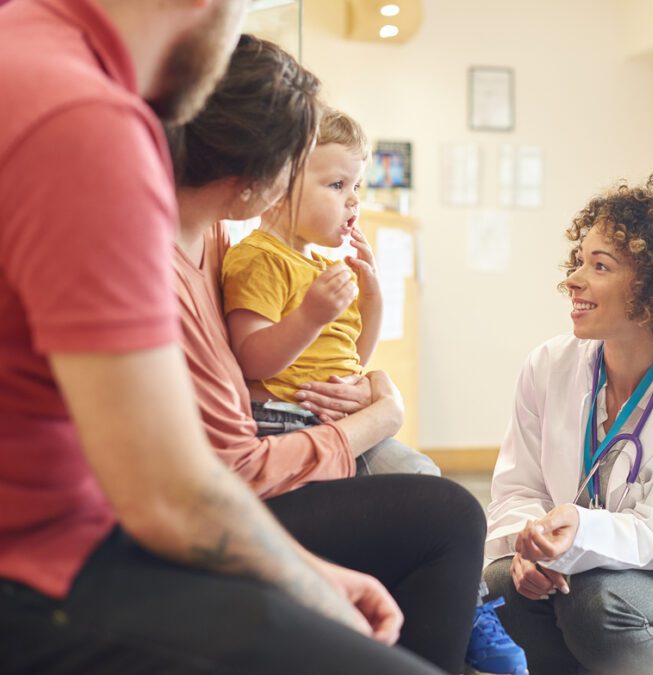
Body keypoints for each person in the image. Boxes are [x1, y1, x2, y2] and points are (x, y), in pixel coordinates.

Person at [0, 2, 440, 673]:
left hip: (93, 530)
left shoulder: (34, 47)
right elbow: (170, 493)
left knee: (439, 509)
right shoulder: (87, 120)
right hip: (51, 567)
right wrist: (311, 582)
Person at [167, 36, 521, 674]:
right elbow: (251, 393)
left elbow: (355, 352)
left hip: (303, 438)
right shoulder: (242, 256)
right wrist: (375, 415)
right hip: (259, 471)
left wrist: (373, 373)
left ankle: (457, 632)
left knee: (429, 489)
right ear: (263, 173)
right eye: (331, 181)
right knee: (443, 507)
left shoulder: (220, 235)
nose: (351, 200)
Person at [484, 176, 653, 675]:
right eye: (579, 260)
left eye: (600, 266)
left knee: (597, 600)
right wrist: (529, 543)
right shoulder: (548, 365)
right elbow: (516, 489)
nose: (573, 279)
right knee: (508, 584)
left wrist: (575, 534)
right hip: (575, 570)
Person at [220, 108, 385, 436]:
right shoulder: (259, 259)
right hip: (283, 419)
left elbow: (353, 357)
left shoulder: (325, 269)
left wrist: (372, 295)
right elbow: (251, 360)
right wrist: (310, 317)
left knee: (417, 471)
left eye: (357, 186)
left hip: (332, 422)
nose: (354, 200)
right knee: (417, 471)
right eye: (338, 185)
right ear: (280, 190)